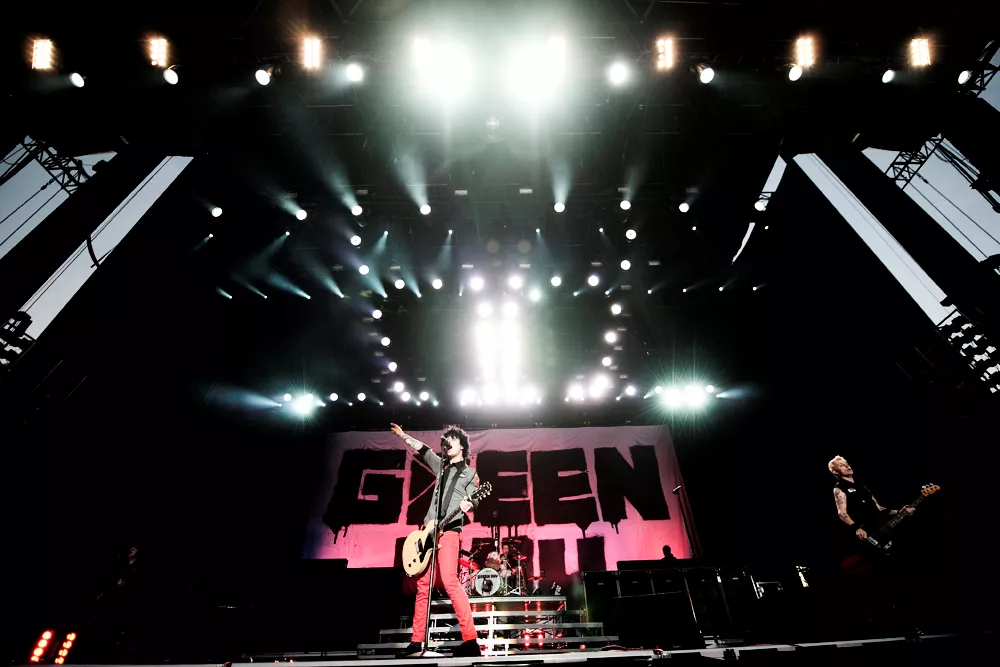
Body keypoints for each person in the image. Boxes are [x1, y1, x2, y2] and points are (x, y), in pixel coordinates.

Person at [392, 423, 482, 658]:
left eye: (452, 439)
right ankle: (416, 640)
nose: (447, 442)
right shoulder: (441, 467)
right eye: (446, 439)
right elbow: (424, 451)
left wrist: (470, 504)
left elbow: (475, 500)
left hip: (449, 532)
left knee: (450, 582)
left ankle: (471, 640)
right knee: (423, 587)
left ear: (462, 446)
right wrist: (404, 436)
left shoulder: (470, 473)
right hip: (428, 532)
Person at [829, 456, 913, 542]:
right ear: (835, 471)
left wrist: (899, 511)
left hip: (880, 528)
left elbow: (879, 508)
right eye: (841, 465)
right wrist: (856, 528)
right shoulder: (839, 488)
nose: (847, 466)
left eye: (846, 463)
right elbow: (842, 513)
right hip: (867, 534)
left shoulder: (862, 487)